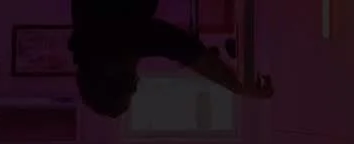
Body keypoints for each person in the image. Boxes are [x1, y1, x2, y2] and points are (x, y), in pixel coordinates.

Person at [70, 0, 273, 119]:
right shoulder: (92, 39)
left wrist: (238, 87)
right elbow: (179, 47)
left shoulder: (111, 39)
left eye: (130, 82)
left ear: (109, 72)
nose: (136, 78)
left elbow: (182, 47)